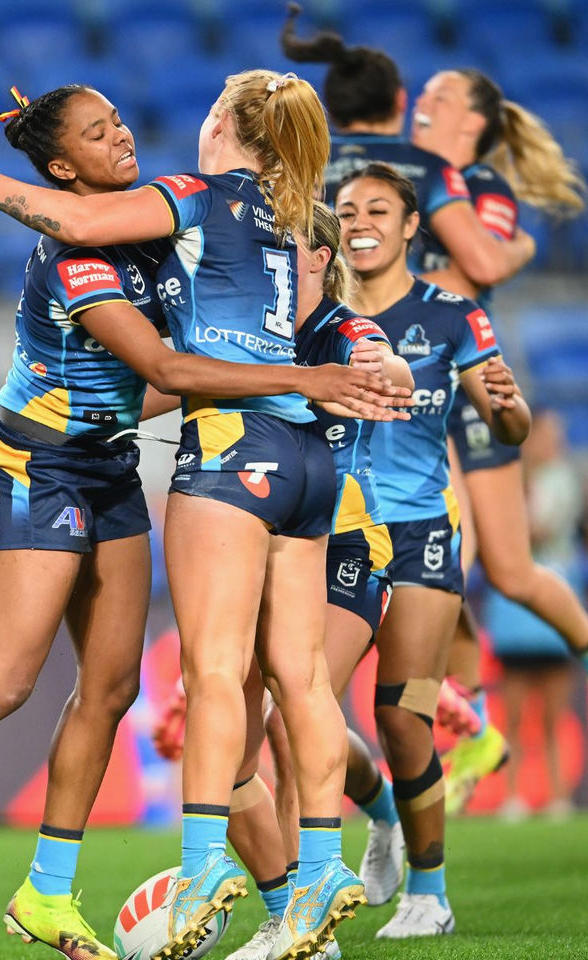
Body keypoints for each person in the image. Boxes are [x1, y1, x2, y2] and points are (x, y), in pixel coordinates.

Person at [0, 84, 396, 960]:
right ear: (61, 168)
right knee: (8, 676)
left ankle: (48, 891)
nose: (121, 135)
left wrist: (326, 356)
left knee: (115, 687)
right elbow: (164, 362)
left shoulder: (158, 239)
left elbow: (181, 375)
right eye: (97, 133)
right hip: (34, 465)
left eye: (121, 120)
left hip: (110, 464)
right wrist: (303, 385)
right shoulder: (73, 255)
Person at [145, 201, 414, 960]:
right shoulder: (236, 333)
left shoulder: (338, 329)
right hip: (255, 539)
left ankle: (306, 915)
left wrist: (388, 374)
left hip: (342, 545)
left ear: (320, 262)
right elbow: (154, 389)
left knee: (293, 719)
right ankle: (325, 863)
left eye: (281, 249)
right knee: (229, 750)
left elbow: (382, 359)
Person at [402, 66, 588, 812]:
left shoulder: (482, 189)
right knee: (443, 568)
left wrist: (506, 254)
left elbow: (474, 276)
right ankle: (470, 721)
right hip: (406, 395)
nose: (421, 103)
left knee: (506, 569)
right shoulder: (399, 177)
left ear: (473, 122)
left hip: (469, 380)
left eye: (440, 98)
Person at [336, 162, 529, 938]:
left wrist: (511, 410)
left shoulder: (454, 316)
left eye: (378, 208)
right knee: (300, 710)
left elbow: (505, 426)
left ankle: (431, 893)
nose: (358, 221)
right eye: (346, 210)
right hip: (336, 531)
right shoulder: (315, 310)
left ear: (413, 225)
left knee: (404, 713)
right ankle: (380, 812)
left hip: (419, 535)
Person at [279, 4, 535, 291]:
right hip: (414, 326)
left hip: (310, 323)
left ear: (331, 106)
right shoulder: (431, 167)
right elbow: (484, 267)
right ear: (401, 100)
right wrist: (525, 245)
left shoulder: (301, 163)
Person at [484, 409, 583, 823]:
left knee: (554, 711)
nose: (551, 443)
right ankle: (512, 795)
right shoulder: (507, 474)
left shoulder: (562, 481)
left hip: (556, 594)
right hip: (513, 610)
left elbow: (537, 528)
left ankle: (559, 795)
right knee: (514, 707)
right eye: (545, 434)